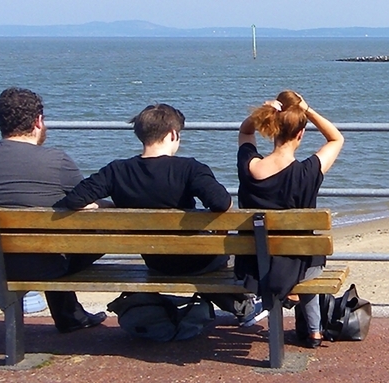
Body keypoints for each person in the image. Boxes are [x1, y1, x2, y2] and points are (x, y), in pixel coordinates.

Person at [60, 103, 267, 327]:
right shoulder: (190, 169)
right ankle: (244, 306)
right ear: (172, 134)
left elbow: (74, 200)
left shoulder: (116, 170)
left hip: (156, 262)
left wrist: (109, 208)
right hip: (199, 260)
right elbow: (222, 203)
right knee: (234, 255)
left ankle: (238, 307)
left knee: (198, 261)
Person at [0, 87, 106, 333]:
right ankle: (70, 316)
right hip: (48, 264)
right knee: (64, 237)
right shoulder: (57, 159)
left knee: (45, 237)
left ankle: (71, 315)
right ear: (38, 121)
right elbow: (83, 200)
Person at [235, 90, 344, 348]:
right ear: (300, 134)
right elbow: (336, 138)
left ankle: (292, 292)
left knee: (294, 256)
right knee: (309, 259)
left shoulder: (249, 167)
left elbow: (245, 133)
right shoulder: (307, 172)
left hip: (253, 266)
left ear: (272, 130)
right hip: (297, 264)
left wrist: (263, 112)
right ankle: (314, 331)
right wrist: (308, 111)